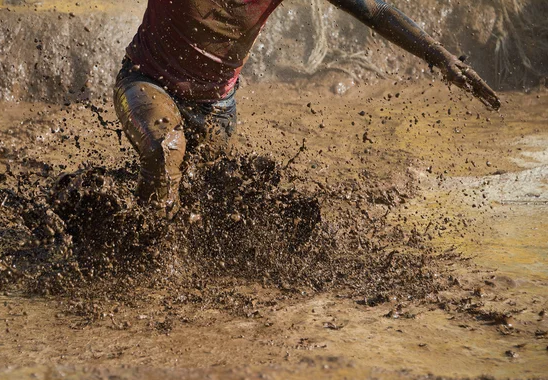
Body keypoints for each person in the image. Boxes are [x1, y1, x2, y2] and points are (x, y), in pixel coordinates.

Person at [113, 0, 501, 219]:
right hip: (147, 80)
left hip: (216, 106)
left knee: (201, 200)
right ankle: (149, 270)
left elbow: (375, 11)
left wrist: (442, 56)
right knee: (166, 151)